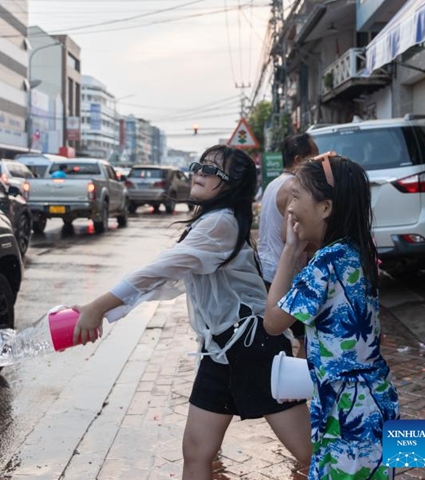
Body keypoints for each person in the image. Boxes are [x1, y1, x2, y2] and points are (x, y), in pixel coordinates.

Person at [73, 145, 312, 479]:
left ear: (231, 185)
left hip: (254, 349)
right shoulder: (212, 222)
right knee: (196, 452)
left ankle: (384, 458)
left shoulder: (221, 224)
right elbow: (167, 277)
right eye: (199, 165)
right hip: (219, 350)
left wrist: (99, 306)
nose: (199, 172)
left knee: (310, 453)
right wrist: (105, 309)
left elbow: (159, 269)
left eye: (212, 170)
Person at [264, 153, 399, 480]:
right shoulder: (360, 248)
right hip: (382, 399)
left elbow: (272, 321)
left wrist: (289, 251)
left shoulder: (325, 265)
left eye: (296, 196)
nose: (289, 207)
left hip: (347, 414)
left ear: (325, 208)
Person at [259, 134, 319, 358]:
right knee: (306, 339)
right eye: (314, 156)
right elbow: (289, 235)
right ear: (298, 159)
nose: (319, 161)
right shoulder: (295, 185)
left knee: (282, 336)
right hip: (284, 274)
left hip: (268, 269)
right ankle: (301, 388)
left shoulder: (274, 183)